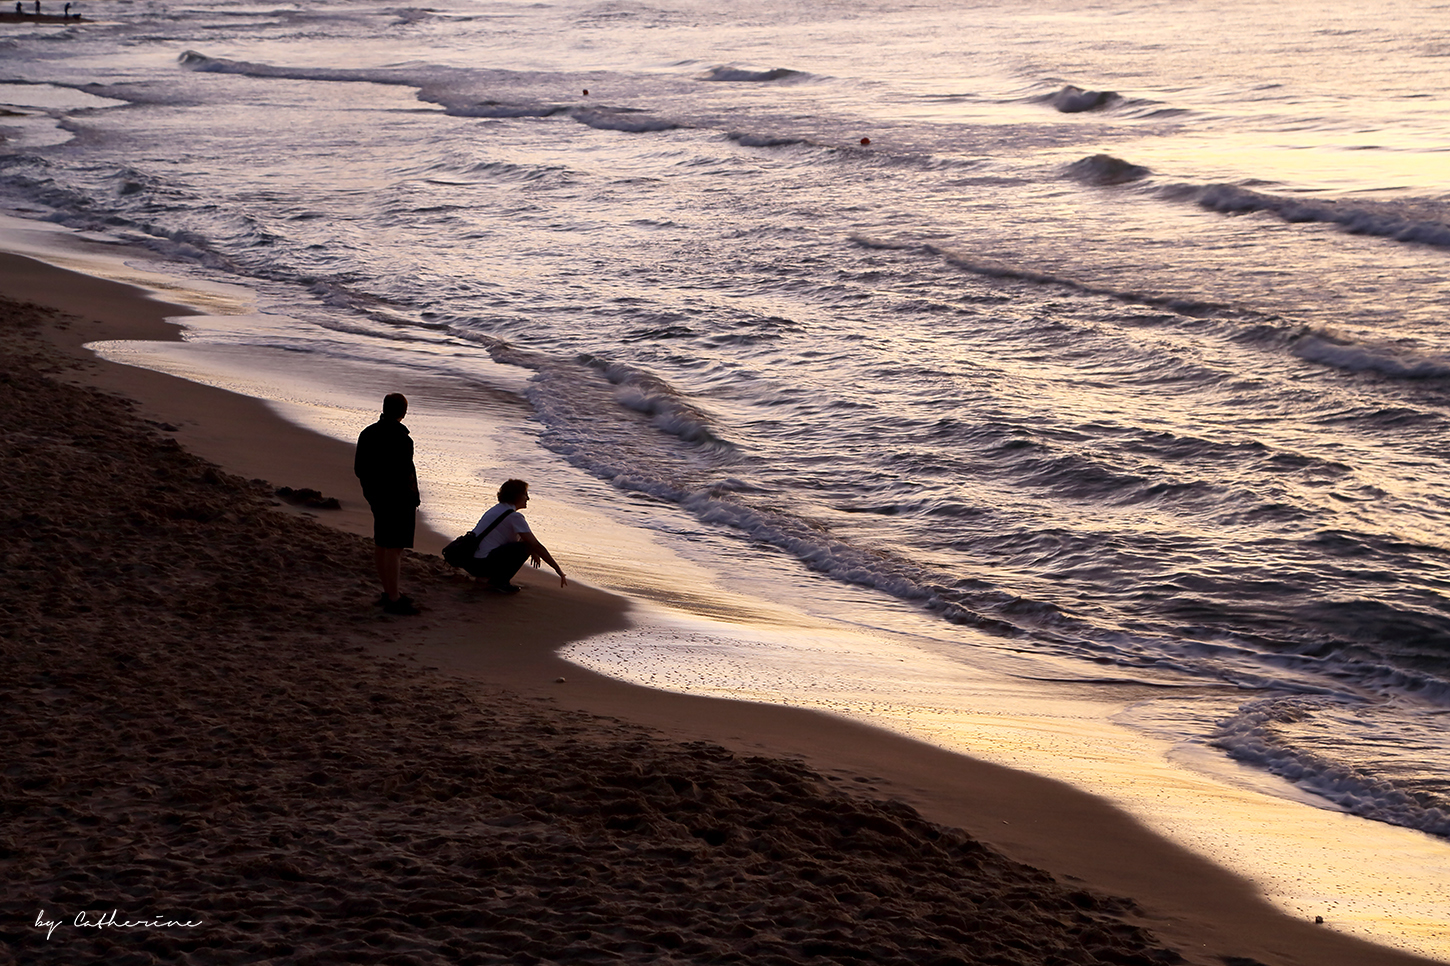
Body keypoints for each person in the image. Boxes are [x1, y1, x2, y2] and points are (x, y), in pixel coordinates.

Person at [353, 393, 421, 615]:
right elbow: (406, 474)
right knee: (394, 548)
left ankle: (388, 591)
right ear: (403, 412)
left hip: (376, 496)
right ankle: (393, 597)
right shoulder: (403, 439)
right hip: (398, 499)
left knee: (382, 543)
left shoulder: (367, 433)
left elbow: (359, 469)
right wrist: (413, 498)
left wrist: (371, 490)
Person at [467, 479, 567, 593]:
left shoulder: (497, 509)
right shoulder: (514, 516)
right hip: (482, 564)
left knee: (526, 545)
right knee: (526, 547)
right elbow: (535, 545)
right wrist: (558, 569)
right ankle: (499, 582)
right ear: (517, 495)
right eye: (525, 494)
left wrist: (533, 551)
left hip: (471, 562)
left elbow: (518, 538)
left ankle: (485, 577)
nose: (528, 498)